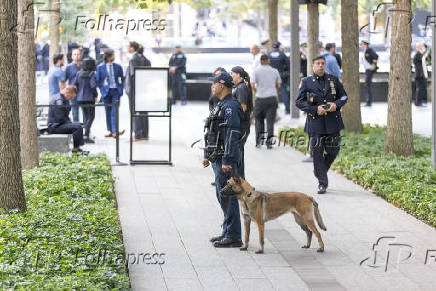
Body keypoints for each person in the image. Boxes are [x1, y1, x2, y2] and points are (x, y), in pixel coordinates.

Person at [296, 55, 348, 194]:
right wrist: (314, 109)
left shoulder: (333, 79)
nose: (321, 66)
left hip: (333, 122)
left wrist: (335, 104)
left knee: (333, 151)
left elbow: (344, 96)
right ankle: (322, 183)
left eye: (323, 63)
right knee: (317, 154)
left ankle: (320, 170)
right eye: (318, 63)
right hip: (316, 124)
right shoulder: (306, 81)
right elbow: (299, 102)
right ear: (313, 66)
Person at [202, 71, 242, 248]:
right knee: (222, 195)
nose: (212, 86)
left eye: (214, 83)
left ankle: (233, 235)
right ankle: (227, 231)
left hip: (226, 160)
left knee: (228, 196)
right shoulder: (220, 104)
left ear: (222, 85)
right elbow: (212, 131)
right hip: (218, 158)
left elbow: (232, 135)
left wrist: (226, 159)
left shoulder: (230, 106)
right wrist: (207, 156)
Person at [251, 55, 281, 149]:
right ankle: (269, 143)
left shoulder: (256, 71)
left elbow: (252, 84)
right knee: (270, 121)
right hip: (272, 98)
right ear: (268, 61)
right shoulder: (275, 71)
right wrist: (272, 90)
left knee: (259, 120)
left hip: (260, 98)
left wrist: (257, 91)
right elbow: (278, 85)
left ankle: (259, 141)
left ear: (260, 61)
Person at [47, 85, 88, 154]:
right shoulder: (59, 101)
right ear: (67, 93)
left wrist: (70, 123)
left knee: (79, 124)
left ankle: (79, 146)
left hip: (59, 124)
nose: (71, 99)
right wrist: (70, 123)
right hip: (55, 127)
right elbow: (60, 118)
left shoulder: (63, 98)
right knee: (77, 127)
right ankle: (76, 149)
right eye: (71, 97)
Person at [126, 42, 152, 141]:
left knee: (135, 112)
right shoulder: (147, 61)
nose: (128, 48)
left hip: (134, 90)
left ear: (133, 48)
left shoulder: (133, 59)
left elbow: (133, 75)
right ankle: (145, 134)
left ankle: (137, 135)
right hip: (144, 89)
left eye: (129, 46)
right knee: (144, 112)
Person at [96, 49, 125, 138]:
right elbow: (98, 81)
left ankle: (115, 131)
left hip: (116, 91)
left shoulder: (118, 66)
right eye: (113, 55)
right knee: (107, 111)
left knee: (114, 111)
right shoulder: (100, 67)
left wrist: (120, 87)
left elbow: (122, 78)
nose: (114, 57)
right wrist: (102, 89)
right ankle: (110, 130)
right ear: (108, 57)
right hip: (106, 92)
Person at [231, 66, 253, 179]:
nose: (231, 76)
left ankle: (240, 180)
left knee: (238, 154)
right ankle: (239, 180)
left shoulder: (241, 88)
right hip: (241, 125)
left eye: (232, 74)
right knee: (238, 153)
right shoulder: (240, 87)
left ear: (238, 74)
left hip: (241, 126)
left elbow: (243, 107)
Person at [73, 58, 97, 143]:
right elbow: (93, 85)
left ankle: (84, 135)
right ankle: (86, 135)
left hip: (80, 98)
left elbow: (74, 84)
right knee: (91, 117)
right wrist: (96, 95)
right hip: (89, 98)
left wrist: (77, 94)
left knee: (87, 117)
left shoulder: (78, 73)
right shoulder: (92, 74)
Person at [268, 41, 290, 114]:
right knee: (283, 92)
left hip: (270, 76)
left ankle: (270, 109)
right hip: (280, 76)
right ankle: (287, 109)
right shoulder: (282, 54)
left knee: (270, 93)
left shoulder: (269, 54)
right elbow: (288, 65)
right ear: (279, 46)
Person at [65, 48, 82, 122]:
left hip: (83, 92)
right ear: (72, 56)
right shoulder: (68, 67)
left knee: (85, 113)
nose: (76, 56)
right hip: (72, 93)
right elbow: (64, 80)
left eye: (78, 54)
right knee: (75, 113)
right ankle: (77, 129)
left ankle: (86, 131)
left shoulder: (84, 65)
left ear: (81, 55)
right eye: (74, 54)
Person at [360, 40, 378, 106]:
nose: (361, 46)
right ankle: (368, 101)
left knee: (368, 85)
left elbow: (376, 56)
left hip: (369, 70)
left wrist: (374, 64)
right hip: (367, 70)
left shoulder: (369, 50)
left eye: (361, 44)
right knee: (367, 85)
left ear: (365, 44)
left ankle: (369, 101)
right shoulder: (365, 51)